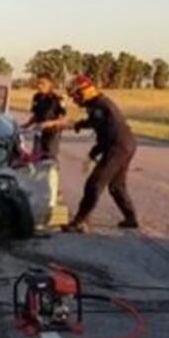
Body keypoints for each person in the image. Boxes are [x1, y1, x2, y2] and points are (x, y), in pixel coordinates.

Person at [62, 75, 138, 232]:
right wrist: (78, 125)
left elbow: (107, 135)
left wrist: (92, 153)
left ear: (86, 90)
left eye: (76, 95)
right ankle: (130, 218)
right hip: (126, 144)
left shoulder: (100, 106)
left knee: (94, 183)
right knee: (116, 186)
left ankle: (79, 221)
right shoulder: (96, 104)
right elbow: (95, 122)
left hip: (118, 146)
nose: (74, 99)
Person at [21, 73, 67, 159]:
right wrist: (26, 125)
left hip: (52, 133)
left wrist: (49, 123)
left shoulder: (57, 98)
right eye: (38, 83)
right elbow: (36, 115)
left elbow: (63, 120)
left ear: (50, 84)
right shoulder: (36, 97)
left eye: (43, 83)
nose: (40, 86)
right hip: (39, 131)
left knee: (49, 157)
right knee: (36, 156)